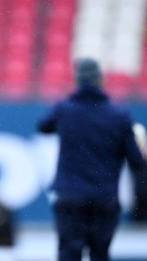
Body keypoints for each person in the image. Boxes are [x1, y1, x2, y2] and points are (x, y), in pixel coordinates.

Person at [37, 58, 147, 261]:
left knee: (69, 253)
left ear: (77, 80)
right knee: (100, 253)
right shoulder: (119, 115)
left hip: (71, 195)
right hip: (104, 197)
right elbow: (136, 162)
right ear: (100, 80)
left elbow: (43, 126)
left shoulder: (65, 109)